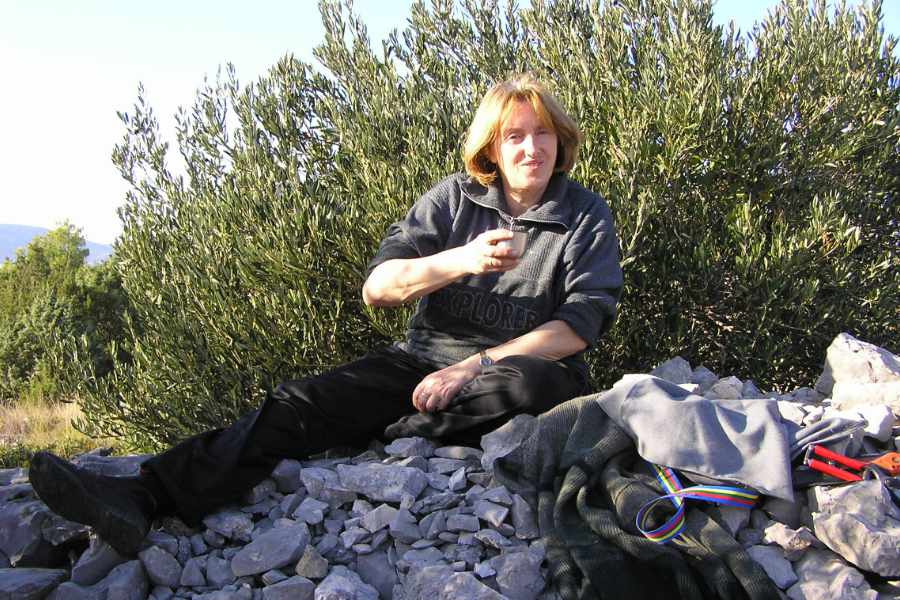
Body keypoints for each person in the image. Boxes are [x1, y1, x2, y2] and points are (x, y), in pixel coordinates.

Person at [29, 74, 624, 556]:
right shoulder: (451, 201)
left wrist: (475, 365)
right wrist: (459, 259)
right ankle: (143, 495)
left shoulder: (583, 215)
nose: (532, 148)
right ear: (491, 147)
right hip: (421, 362)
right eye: (515, 135)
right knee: (298, 402)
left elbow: (577, 328)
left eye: (542, 133)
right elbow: (380, 288)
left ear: (560, 140)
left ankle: (390, 435)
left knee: (529, 385)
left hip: (508, 372)